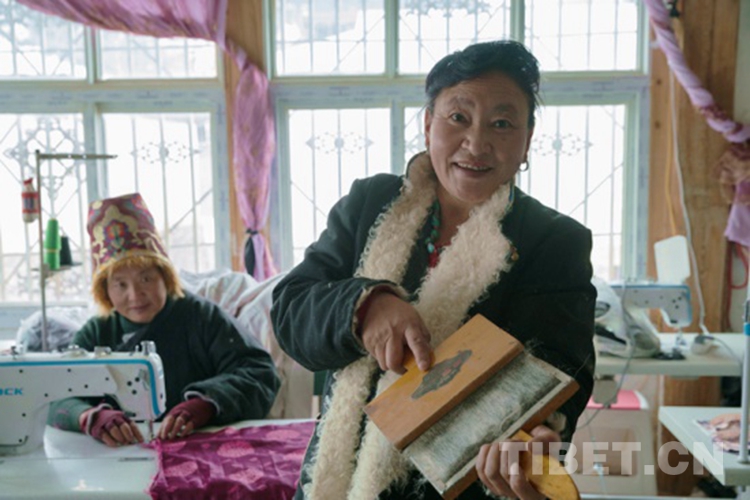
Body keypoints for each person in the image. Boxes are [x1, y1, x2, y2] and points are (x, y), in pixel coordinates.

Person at [271, 39, 596, 500]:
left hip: (464, 486)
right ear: (428, 125)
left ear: (527, 140)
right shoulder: (369, 204)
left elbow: (559, 367)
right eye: (458, 117)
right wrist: (365, 307)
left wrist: (538, 433)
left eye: (502, 123)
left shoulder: (554, 240)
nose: (476, 143)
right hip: (335, 482)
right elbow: (291, 310)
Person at [49, 193, 280, 447]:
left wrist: (204, 405)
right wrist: (89, 417)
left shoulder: (201, 317)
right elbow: (56, 394)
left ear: (165, 277)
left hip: (199, 445)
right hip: (120, 451)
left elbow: (260, 373)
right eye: (120, 284)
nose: (135, 295)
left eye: (146, 279)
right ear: (105, 290)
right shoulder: (96, 333)